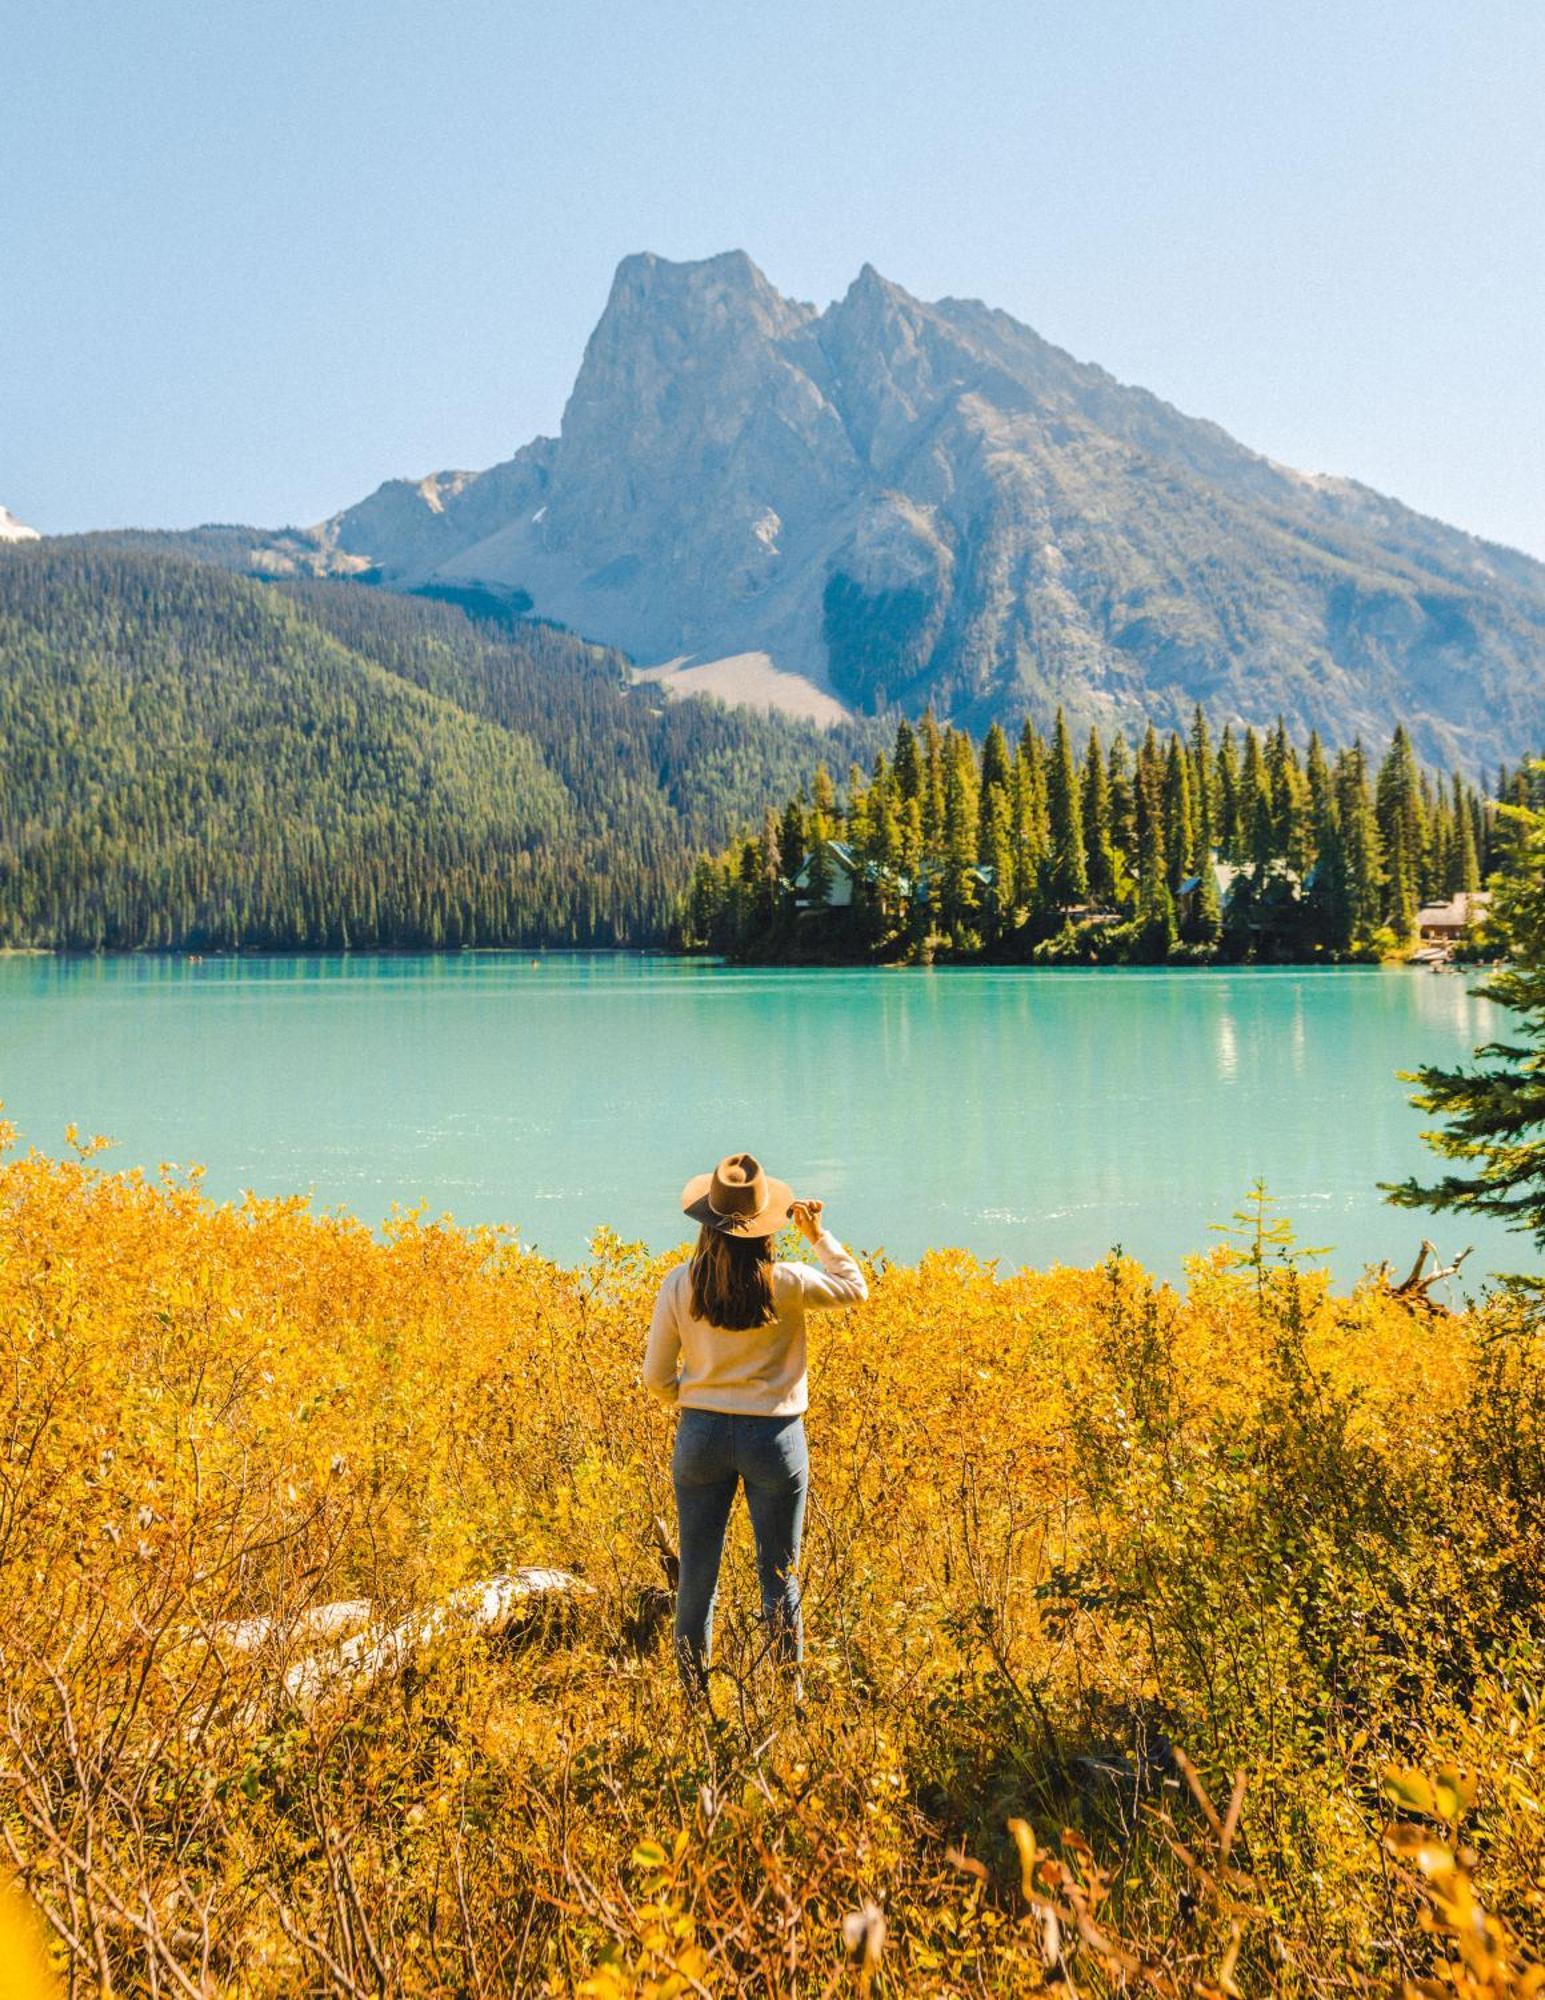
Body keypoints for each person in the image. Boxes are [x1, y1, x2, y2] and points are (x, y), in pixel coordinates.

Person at [642, 1152, 868, 1698]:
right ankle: (786, 1699)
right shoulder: (786, 1283)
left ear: (707, 1221)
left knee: (697, 1578)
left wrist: (693, 1399)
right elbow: (854, 1286)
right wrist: (816, 1234)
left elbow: (654, 1378)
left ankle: (694, 1700)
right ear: (765, 1226)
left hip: (701, 1436)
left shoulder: (679, 1284)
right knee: (779, 1579)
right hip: (775, 1439)